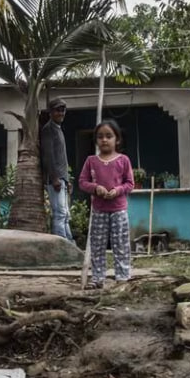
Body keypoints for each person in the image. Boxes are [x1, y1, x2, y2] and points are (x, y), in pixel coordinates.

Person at [78, 119, 135, 288]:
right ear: (96, 140)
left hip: (119, 210)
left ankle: (122, 277)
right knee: (98, 244)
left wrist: (117, 190)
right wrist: (96, 188)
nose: (104, 140)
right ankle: (97, 279)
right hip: (99, 210)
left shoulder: (123, 160)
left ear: (117, 139)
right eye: (100, 136)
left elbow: (129, 184)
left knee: (121, 244)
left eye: (109, 136)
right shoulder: (91, 161)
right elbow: (82, 182)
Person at [40, 98, 73, 241]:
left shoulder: (58, 129)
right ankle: (61, 246)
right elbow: (48, 155)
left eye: (63, 110)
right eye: (58, 110)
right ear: (50, 112)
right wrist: (54, 178)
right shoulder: (48, 129)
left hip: (62, 178)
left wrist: (67, 178)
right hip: (55, 179)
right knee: (59, 214)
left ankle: (70, 245)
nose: (61, 113)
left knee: (65, 214)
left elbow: (61, 157)